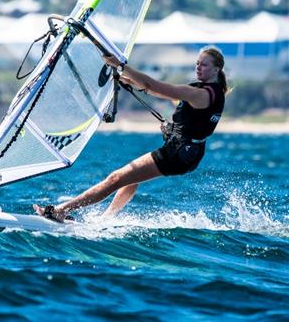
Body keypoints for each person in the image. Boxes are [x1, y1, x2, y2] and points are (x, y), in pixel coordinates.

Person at [33, 46, 228, 222]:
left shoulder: (201, 94)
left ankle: (60, 210)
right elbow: (160, 94)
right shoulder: (212, 92)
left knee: (115, 179)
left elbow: (153, 85)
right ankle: (106, 219)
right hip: (187, 152)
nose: (198, 67)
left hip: (178, 154)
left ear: (216, 70)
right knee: (129, 178)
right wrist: (128, 80)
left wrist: (120, 66)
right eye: (197, 63)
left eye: (204, 65)